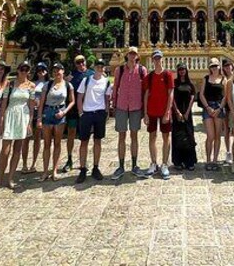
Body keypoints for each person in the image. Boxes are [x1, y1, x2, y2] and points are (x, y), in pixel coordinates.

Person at [0, 62, 37, 189]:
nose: (24, 71)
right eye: (22, 69)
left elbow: (31, 106)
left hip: (23, 116)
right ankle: (0, 178)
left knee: (17, 149)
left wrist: (30, 122)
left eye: (26, 69)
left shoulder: (31, 86)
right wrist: (1, 120)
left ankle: (10, 177)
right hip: (10, 114)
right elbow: (3, 103)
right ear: (18, 70)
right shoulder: (10, 83)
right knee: (5, 149)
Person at [110, 47, 148, 179]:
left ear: (137, 56)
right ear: (127, 55)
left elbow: (145, 91)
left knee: (134, 136)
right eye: (130, 54)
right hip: (121, 105)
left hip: (136, 106)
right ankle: (121, 166)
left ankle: (134, 165)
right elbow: (115, 87)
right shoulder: (119, 70)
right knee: (121, 136)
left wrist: (145, 108)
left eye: (134, 54)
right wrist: (113, 104)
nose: (132, 56)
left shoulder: (142, 70)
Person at [75, 59, 113, 183]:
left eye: (102, 66)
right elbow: (79, 96)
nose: (100, 68)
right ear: (94, 67)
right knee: (84, 142)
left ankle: (96, 167)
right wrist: (80, 112)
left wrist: (106, 111)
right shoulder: (86, 80)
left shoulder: (106, 82)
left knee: (98, 141)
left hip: (99, 113)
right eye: (98, 66)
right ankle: (82, 168)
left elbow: (107, 98)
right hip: (87, 113)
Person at [37, 62, 75, 181]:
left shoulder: (68, 85)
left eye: (59, 70)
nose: (57, 72)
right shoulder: (47, 85)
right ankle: (45, 171)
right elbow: (41, 103)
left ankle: (54, 170)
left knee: (57, 143)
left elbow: (72, 101)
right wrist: (39, 118)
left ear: (63, 71)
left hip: (60, 113)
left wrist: (64, 112)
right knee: (47, 144)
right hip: (48, 113)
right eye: (54, 71)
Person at [144, 50, 175, 179]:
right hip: (151, 110)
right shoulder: (149, 76)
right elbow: (146, 95)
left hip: (163, 111)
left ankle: (164, 164)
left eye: (159, 58)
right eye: (155, 58)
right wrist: (145, 113)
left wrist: (168, 111)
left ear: (162, 59)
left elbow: (170, 94)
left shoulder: (168, 74)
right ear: (152, 60)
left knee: (166, 137)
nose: (157, 60)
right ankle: (153, 162)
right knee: (152, 136)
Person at [63, 54, 93, 173]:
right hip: (73, 109)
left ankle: (84, 159)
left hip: (87, 108)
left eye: (82, 62)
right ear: (75, 64)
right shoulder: (72, 76)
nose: (81, 64)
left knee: (85, 136)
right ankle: (69, 159)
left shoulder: (91, 74)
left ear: (86, 62)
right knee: (71, 132)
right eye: (78, 62)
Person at [200, 58, 227, 170]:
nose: (214, 68)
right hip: (208, 106)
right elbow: (201, 94)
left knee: (217, 136)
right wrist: (207, 107)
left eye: (216, 66)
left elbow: (225, 96)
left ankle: (215, 160)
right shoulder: (206, 79)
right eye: (212, 66)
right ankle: (208, 160)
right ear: (209, 68)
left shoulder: (223, 79)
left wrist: (220, 108)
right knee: (210, 136)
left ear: (219, 67)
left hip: (219, 107)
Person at [22, 62, 48, 174]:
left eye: (43, 70)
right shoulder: (32, 83)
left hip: (40, 113)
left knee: (37, 138)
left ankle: (33, 163)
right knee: (26, 139)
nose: (40, 72)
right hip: (29, 112)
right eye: (38, 70)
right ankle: (24, 164)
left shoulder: (48, 83)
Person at [171, 63, 198, 171]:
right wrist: (177, 112)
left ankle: (189, 161)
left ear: (186, 71)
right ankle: (178, 161)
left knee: (189, 135)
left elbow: (192, 98)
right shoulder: (175, 83)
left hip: (187, 113)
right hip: (177, 112)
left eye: (183, 69)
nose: (182, 71)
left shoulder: (190, 84)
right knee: (177, 135)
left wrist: (187, 112)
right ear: (178, 71)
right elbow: (171, 97)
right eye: (180, 69)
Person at [220, 58, 234, 166]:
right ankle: (228, 151)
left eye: (229, 65)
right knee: (227, 130)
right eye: (225, 66)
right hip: (227, 106)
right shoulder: (223, 79)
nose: (227, 68)